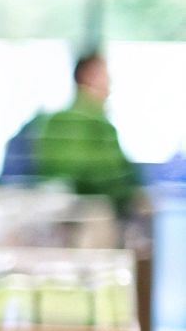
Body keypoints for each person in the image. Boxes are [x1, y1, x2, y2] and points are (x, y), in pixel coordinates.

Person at [33, 51, 141, 216]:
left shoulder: (55, 121)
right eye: (105, 74)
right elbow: (102, 176)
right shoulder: (95, 124)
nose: (110, 82)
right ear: (88, 76)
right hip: (89, 213)